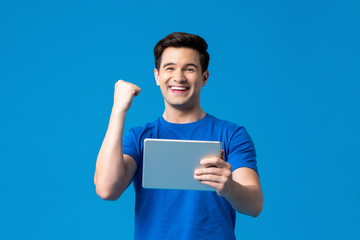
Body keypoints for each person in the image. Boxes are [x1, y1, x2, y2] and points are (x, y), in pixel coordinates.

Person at [94, 32, 263, 240]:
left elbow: (254, 205)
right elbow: (106, 189)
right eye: (170, 68)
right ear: (157, 76)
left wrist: (229, 188)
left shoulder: (232, 135)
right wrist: (118, 109)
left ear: (204, 77)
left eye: (189, 69)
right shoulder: (139, 138)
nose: (179, 77)